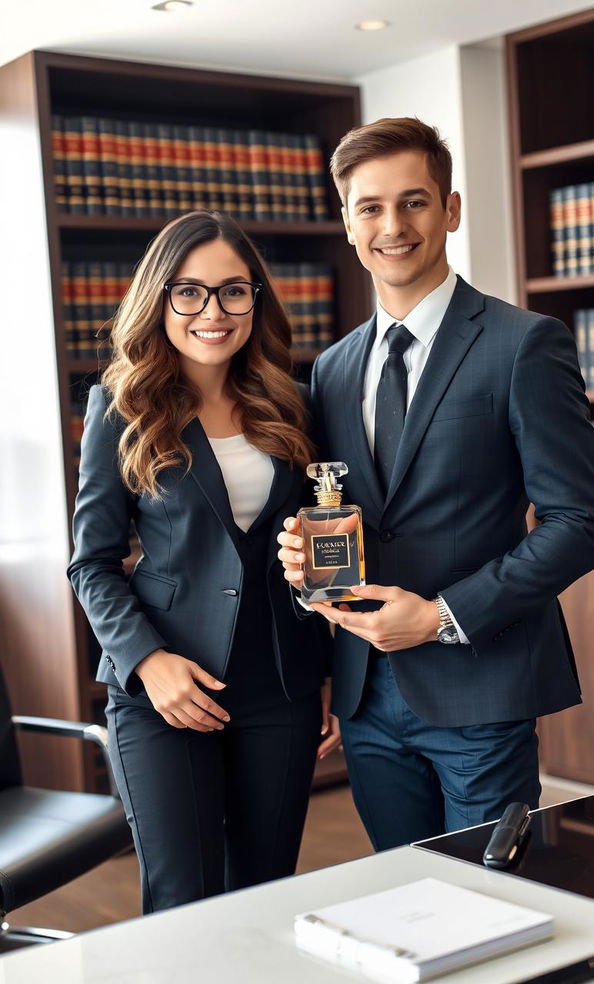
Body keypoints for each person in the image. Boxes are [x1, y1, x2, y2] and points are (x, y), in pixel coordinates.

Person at [277, 117, 594, 851]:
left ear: (451, 209)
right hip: (366, 695)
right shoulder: (331, 369)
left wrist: (441, 616)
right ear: (347, 221)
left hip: (481, 686)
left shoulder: (524, 344)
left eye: (414, 202)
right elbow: (346, 516)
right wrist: (304, 559)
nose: (392, 226)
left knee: (491, 908)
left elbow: (580, 521)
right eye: (370, 207)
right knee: (404, 895)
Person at [67, 210, 338, 913]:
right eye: (189, 292)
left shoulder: (294, 404)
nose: (212, 312)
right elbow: (91, 563)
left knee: (264, 892)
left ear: (256, 298)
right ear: (159, 300)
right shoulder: (120, 409)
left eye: (232, 291)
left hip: (279, 686)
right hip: (164, 688)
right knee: (182, 899)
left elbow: (316, 550)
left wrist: (328, 668)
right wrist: (147, 663)